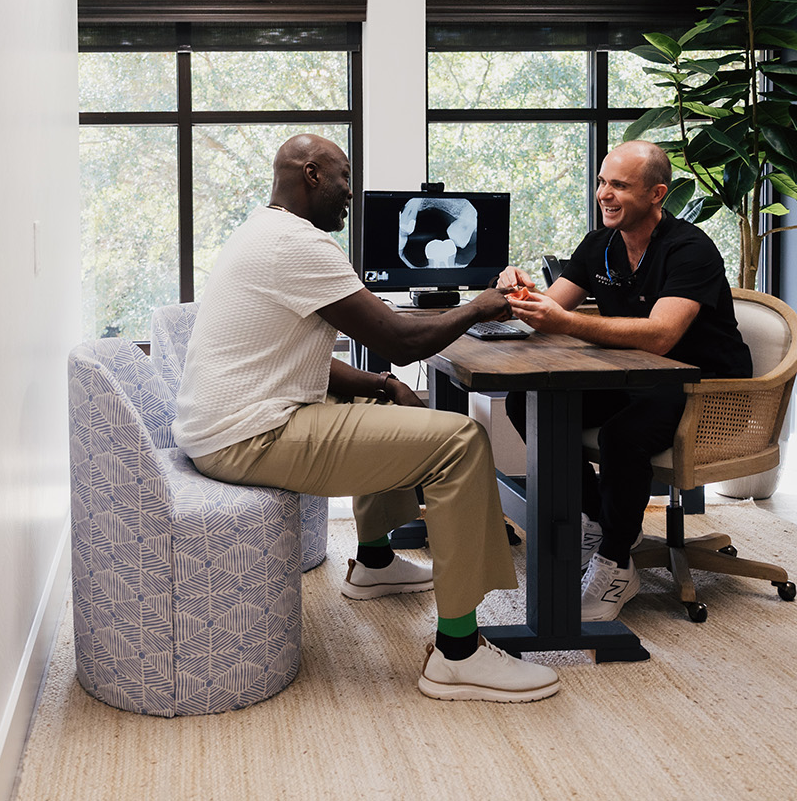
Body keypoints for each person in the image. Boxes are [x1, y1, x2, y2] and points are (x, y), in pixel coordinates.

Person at [173, 133, 559, 703]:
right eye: (344, 178)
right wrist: (483, 302)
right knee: (461, 439)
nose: (350, 192)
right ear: (311, 174)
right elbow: (401, 339)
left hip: (225, 424)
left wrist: (382, 384)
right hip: (250, 437)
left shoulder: (261, 231)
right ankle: (459, 654)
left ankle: (376, 561)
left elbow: (298, 355)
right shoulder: (299, 246)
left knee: (377, 398)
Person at [500, 140, 751, 623]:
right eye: (601, 182)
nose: (603, 194)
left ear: (658, 193)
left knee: (623, 436)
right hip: (637, 382)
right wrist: (518, 291)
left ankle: (616, 564)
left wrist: (564, 322)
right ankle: (603, 524)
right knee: (524, 401)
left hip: (708, 390)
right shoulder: (600, 246)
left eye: (618, 185)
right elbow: (547, 311)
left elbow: (660, 337)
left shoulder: (690, 248)